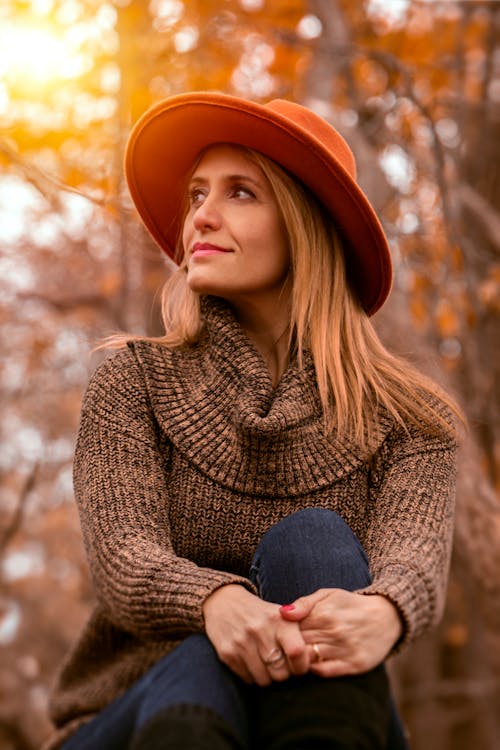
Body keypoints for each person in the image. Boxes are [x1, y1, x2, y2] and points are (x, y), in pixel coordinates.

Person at [43, 92, 462, 750]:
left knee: (314, 545)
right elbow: (125, 561)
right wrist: (216, 604)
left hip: (317, 711)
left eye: (240, 193)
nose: (202, 216)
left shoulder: (412, 417)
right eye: (196, 195)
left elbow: (414, 560)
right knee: (200, 660)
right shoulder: (132, 380)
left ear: (305, 225)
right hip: (132, 718)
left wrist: (386, 611)